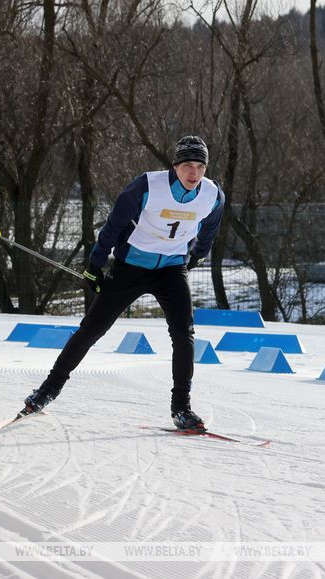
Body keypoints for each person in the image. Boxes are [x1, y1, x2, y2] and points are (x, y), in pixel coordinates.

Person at [23, 135, 225, 431]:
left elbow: (209, 229)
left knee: (184, 334)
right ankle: (46, 392)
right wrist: (95, 263)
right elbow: (114, 226)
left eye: (199, 166)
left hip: (171, 269)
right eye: (187, 166)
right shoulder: (146, 187)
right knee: (92, 328)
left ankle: (181, 408)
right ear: (174, 166)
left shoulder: (213, 195)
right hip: (131, 266)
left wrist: (197, 256)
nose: (193, 174)